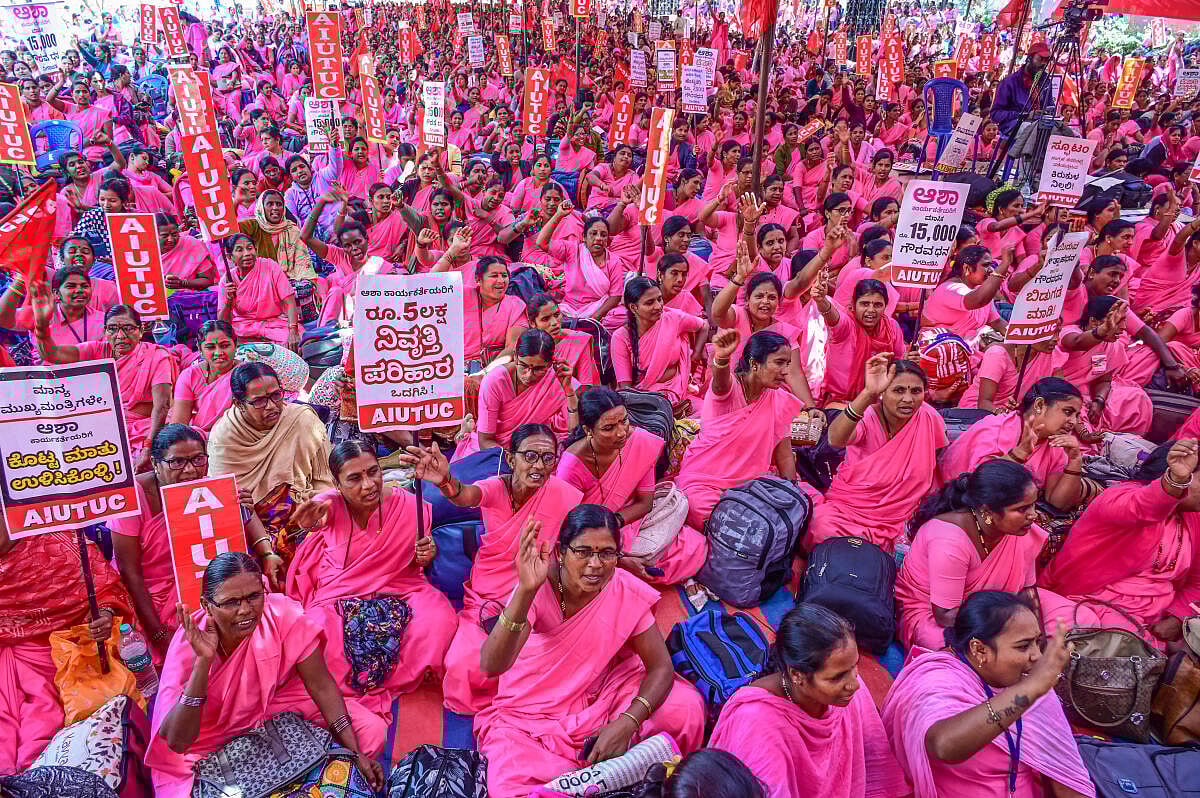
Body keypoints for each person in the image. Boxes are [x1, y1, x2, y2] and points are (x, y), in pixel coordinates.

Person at [473, 506, 705, 798]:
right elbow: (491, 665)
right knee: (509, 782)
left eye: (606, 553)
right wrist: (525, 591)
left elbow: (661, 667)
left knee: (684, 709)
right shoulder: (537, 587)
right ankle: (611, 775)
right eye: (582, 552)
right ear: (561, 552)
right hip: (532, 714)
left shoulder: (624, 589)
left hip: (602, 695)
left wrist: (628, 721)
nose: (595, 564)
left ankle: (613, 774)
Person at [146, 553, 387, 798]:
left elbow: (321, 686)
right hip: (210, 740)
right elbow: (178, 742)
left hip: (272, 710)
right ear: (207, 605)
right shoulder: (189, 643)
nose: (245, 610)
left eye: (254, 596)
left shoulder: (280, 614)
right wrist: (203, 661)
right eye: (231, 602)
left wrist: (355, 752)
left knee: (371, 731)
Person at [398, 424, 583, 714]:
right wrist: (445, 480)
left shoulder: (564, 495)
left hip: (536, 591)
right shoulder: (497, 487)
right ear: (511, 459)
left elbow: (578, 542)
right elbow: (466, 495)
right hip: (486, 595)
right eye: (530, 456)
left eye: (548, 458)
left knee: (541, 661)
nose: (539, 466)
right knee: (461, 668)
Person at [285, 442, 455, 716]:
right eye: (354, 478)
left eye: (373, 472)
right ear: (337, 484)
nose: (368, 485)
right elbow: (318, 511)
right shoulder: (330, 504)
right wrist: (309, 522)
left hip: (400, 585)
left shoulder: (408, 505)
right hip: (340, 593)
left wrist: (427, 554)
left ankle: (392, 679)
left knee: (438, 620)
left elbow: (417, 562)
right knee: (316, 636)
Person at [881, 592, 1096, 798]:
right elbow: (943, 745)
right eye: (1023, 646)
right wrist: (1029, 689)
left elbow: (1067, 785)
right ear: (979, 650)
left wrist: (1032, 689)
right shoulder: (937, 680)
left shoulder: (1032, 687)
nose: (1037, 656)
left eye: (1038, 643)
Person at [111, 424, 280, 665]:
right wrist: (157, 633)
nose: (190, 470)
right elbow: (129, 571)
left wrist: (266, 551)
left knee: (260, 603)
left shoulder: (211, 489)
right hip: (157, 592)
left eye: (198, 459)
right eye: (177, 462)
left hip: (211, 580)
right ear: (156, 464)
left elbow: (250, 523)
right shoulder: (134, 496)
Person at [709, 604, 909, 798]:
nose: (854, 684)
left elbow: (875, 763)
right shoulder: (757, 726)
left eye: (855, 665)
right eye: (837, 677)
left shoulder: (844, 690)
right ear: (797, 675)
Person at [0, 516, 133, 773]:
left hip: (72, 656)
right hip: (9, 661)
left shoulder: (55, 538)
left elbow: (105, 587)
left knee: (57, 736)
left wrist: (104, 614)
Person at [1042, 439, 1200, 646]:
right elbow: (1145, 507)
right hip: (1090, 603)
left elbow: (1197, 582)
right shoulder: (1120, 497)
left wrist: (1177, 617)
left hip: (1158, 620)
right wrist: (1175, 481)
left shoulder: (1193, 517)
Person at [558, 388, 709, 586]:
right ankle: (620, 564)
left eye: (624, 421)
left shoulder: (639, 441)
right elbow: (567, 529)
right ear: (588, 430)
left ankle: (624, 564)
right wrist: (619, 557)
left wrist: (615, 521)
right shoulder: (571, 466)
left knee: (693, 542)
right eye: (609, 428)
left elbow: (645, 503)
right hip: (588, 537)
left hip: (624, 520)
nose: (621, 432)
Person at [897, 460, 1054, 649]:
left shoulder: (1019, 531)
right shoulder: (949, 541)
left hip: (998, 609)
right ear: (987, 511)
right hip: (935, 616)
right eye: (1022, 509)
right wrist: (1008, 629)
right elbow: (945, 616)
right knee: (978, 650)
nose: (1033, 515)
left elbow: (1027, 591)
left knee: (1066, 622)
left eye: (1033, 505)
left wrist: (1038, 637)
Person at [808, 355, 947, 553]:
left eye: (916, 391)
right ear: (882, 392)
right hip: (850, 511)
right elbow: (835, 439)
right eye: (898, 390)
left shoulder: (928, 416)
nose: (908, 399)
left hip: (904, 515)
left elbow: (936, 459)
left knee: (924, 541)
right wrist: (867, 393)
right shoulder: (868, 416)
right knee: (821, 526)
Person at [676, 330, 807, 528]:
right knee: (703, 510)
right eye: (779, 362)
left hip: (751, 486)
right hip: (705, 483)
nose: (785, 371)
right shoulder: (729, 390)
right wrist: (722, 358)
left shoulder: (778, 399)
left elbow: (785, 456)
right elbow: (720, 382)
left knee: (800, 505)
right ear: (754, 364)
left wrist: (791, 494)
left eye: (787, 364)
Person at [31, 292, 175, 471]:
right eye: (112, 329)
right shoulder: (97, 350)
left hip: (146, 430)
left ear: (140, 331)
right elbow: (53, 354)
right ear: (105, 331)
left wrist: (147, 447)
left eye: (128, 328)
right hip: (104, 427)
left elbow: (162, 406)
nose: (120, 335)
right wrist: (41, 327)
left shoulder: (156, 356)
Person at [207, 362, 334, 562]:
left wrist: (318, 514)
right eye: (259, 401)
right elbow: (226, 504)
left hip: (303, 520)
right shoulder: (223, 438)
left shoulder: (302, 420)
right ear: (239, 404)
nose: (272, 406)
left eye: (276, 395)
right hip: (249, 529)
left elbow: (326, 481)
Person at [939, 378, 1085, 508]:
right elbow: (979, 490)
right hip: (957, 505)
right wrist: (1020, 453)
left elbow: (1058, 502)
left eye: (1077, 415)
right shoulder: (996, 430)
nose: (1073, 422)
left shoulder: (1055, 443)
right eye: (1068, 412)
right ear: (1039, 405)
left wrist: (1075, 461)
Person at [455, 328, 577, 460]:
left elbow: (575, 432)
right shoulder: (495, 381)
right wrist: (515, 461)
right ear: (515, 356)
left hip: (531, 448)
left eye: (538, 369)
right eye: (523, 365)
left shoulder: (557, 379)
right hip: (496, 452)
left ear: (549, 364)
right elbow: (485, 441)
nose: (528, 375)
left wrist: (568, 390)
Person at [611, 277, 707, 414]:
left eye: (659, 299)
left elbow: (704, 326)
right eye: (650, 302)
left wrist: (696, 355)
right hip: (645, 402)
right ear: (633, 307)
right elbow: (626, 389)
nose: (658, 306)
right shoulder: (621, 337)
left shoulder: (673, 318)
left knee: (708, 416)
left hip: (680, 393)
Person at [812, 276, 906, 408]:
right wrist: (822, 301)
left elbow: (898, 363)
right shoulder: (846, 326)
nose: (871, 310)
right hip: (840, 403)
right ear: (854, 304)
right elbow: (832, 317)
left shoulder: (891, 327)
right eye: (864, 304)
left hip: (878, 403)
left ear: (885, 306)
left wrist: (910, 361)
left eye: (878, 305)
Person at [215, 233, 300, 349]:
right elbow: (223, 322)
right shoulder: (226, 281)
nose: (247, 253)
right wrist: (229, 301)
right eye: (240, 250)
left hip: (275, 324)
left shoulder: (270, 267)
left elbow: (289, 301)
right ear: (230, 257)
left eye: (250, 248)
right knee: (226, 344)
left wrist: (293, 329)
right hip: (244, 328)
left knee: (292, 343)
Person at [167, 320, 238, 434]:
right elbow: (178, 424)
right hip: (199, 437)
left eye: (225, 346)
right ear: (200, 349)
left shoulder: (247, 373)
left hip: (236, 436)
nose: (218, 353)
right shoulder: (190, 376)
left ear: (235, 345)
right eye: (210, 347)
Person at [990, 42, 1051, 136]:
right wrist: (1025, 115)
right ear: (1029, 58)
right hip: (1014, 124)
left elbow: (1050, 104)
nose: (1043, 63)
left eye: (1046, 60)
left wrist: (1049, 111)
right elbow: (995, 114)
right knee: (1032, 130)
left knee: (1065, 132)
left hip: (1040, 123)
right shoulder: (1009, 82)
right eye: (1040, 59)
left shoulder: (1046, 80)